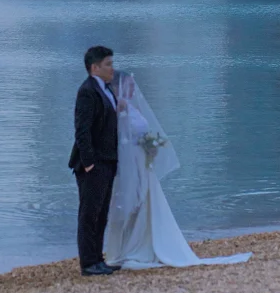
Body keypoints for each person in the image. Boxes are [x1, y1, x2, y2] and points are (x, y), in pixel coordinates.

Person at [103, 71, 250, 270]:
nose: (132, 88)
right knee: (129, 202)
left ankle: (141, 244)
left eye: (132, 85)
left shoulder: (131, 107)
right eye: (128, 85)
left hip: (142, 164)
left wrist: (150, 147)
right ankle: (126, 247)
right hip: (129, 164)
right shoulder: (117, 108)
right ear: (117, 87)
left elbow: (140, 132)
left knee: (144, 203)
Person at [69, 44, 120, 276]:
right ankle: (88, 263)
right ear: (94, 67)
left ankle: (98, 258)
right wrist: (89, 162)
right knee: (89, 213)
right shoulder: (87, 91)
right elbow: (82, 130)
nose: (112, 68)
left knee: (101, 213)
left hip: (107, 160)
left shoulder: (106, 89)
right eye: (108, 64)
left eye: (111, 63)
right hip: (93, 164)